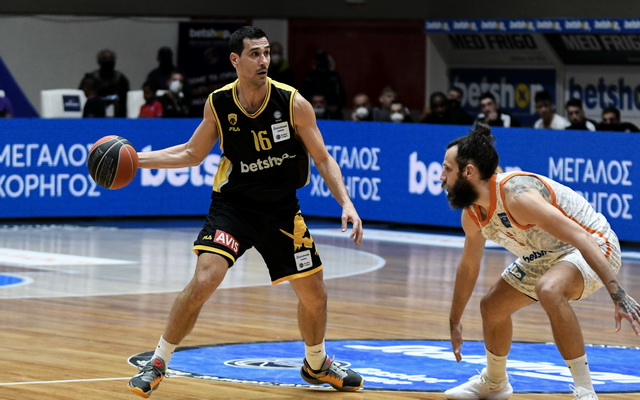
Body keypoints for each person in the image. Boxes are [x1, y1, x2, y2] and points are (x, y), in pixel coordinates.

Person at [127, 26, 365, 398]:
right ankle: (158, 362)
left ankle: (316, 364)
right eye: (255, 54)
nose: (264, 60)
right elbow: (191, 153)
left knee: (315, 295)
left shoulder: (293, 103)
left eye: (266, 53)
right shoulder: (219, 103)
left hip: (281, 210)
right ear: (235, 60)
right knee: (205, 279)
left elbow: (322, 158)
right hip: (233, 207)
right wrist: (135, 160)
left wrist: (346, 203)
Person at [439, 122, 640, 400]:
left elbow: (581, 237)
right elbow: (469, 267)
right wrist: (454, 320)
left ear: (468, 172)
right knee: (492, 306)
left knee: (549, 289)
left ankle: (585, 390)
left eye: (447, 169)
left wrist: (617, 294)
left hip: (594, 244)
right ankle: (495, 383)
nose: (441, 177)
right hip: (544, 255)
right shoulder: (472, 215)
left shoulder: (518, 196)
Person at [79, 49, 130, 117]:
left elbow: (126, 98)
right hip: (95, 112)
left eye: (110, 59)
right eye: (105, 59)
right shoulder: (91, 78)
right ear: (99, 61)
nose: (108, 61)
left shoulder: (120, 78)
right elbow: (81, 95)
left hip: (117, 114)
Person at [301, 50, 347, 121]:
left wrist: (335, 105)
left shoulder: (334, 77)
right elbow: (304, 95)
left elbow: (342, 96)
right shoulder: (309, 77)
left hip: (332, 114)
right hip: (310, 112)